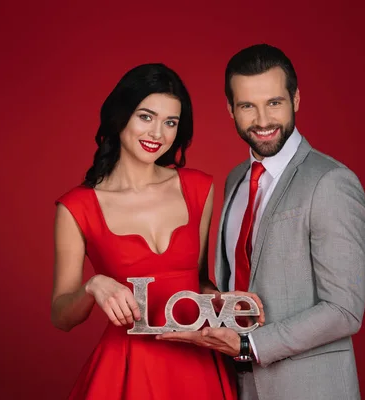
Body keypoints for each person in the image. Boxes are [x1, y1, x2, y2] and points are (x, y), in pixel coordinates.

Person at [157, 44, 365, 400]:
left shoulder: (330, 181)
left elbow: (344, 309)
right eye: (247, 106)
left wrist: (248, 343)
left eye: (274, 102)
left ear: (296, 99)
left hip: (309, 389)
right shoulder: (236, 178)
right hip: (236, 384)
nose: (262, 120)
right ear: (230, 109)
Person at [51, 63, 241, 399]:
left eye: (170, 122)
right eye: (146, 116)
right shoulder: (77, 207)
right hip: (127, 370)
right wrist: (94, 285)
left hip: (198, 365)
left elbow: (198, 280)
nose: (157, 134)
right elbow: (62, 317)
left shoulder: (199, 188)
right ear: (120, 116)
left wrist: (222, 301)